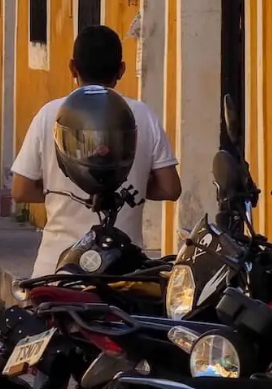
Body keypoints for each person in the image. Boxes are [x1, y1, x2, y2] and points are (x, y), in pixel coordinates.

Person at [11, 24, 182, 277]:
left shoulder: (49, 114)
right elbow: (170, 188)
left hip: (57, 270)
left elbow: (21, 189)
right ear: (121, 70)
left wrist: (62, 194)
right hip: (121, 270)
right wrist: (134, 187)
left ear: (72, 67)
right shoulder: (143, 115)